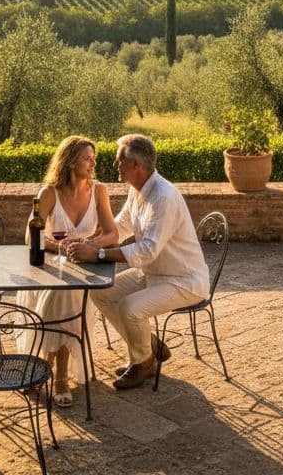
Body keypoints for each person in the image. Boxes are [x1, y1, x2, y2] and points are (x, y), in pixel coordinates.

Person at [67, 133, 209, 390]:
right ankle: (149, 346)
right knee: (103, 292)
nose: (115, 166)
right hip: (153, 274)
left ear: (136, 166)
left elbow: (147, 251)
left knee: (131, 308)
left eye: (120, 161)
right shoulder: (137, 190)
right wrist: (89, 243)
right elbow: (120, 227)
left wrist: (97, 255)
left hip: (184, 280)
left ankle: (144, 363)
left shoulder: (163, 197)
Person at [17, 135, 116, 407]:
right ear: (71, 161)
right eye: (87, 158)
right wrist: (58, 248)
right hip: (50, 267)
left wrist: (88, 244)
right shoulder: (49, 193)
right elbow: (31, 237)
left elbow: (112, 234)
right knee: (63, 294)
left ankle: (43, 366)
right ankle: (58, 375)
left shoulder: (99, 191)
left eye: (93, 157)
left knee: (66, 293)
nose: (93, 163)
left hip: (84, 266)